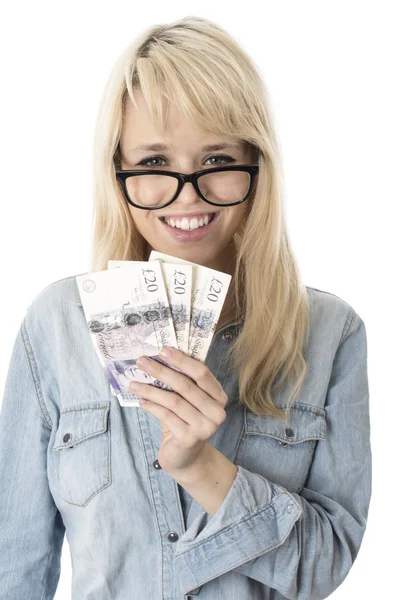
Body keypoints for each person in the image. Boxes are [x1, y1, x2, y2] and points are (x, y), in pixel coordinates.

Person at [0, 15, 371, 600]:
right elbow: (14, 568)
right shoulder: (53, 327)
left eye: (219, 160)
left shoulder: (329, 334)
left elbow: (323, 568)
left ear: (258, 165)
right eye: (152, 165)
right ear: (117, 172)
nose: (188, 194)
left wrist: (200, 467)